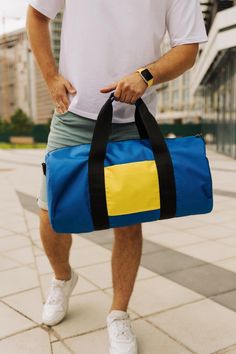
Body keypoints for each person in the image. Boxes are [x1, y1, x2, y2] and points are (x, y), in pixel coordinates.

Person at [26, 1, 207, 353]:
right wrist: (50, 77)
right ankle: (63, 277)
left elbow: (187, 49)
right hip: (73, 113)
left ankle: (119, 313)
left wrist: (146, 75)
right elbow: (36, 15)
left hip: (134, 119)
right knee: (50, 213)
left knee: (129, 220)